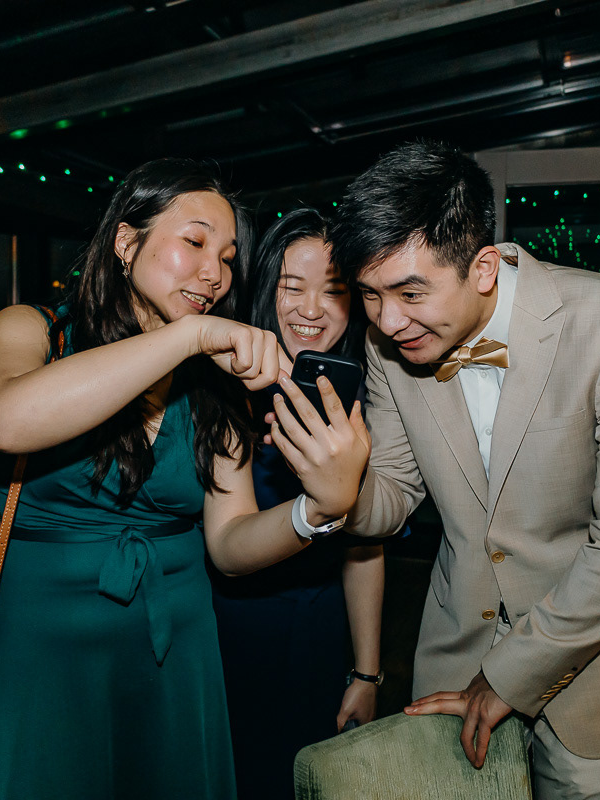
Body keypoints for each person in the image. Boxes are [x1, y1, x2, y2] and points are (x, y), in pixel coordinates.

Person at [0, 159, 369, 800]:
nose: (215, 272)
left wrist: (319, 510)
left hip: (177, 645)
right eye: (195, 243)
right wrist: (190, 336)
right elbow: (5, 419)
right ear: (127, 243)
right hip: (50, 650)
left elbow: (230, 544)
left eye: (229, 256)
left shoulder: (214, 386)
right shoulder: (32, 330)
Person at [328, 141, 600, 800]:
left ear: (484, 267)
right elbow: (395, 497)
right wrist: (336, 490)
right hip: (455, 660)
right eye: (369, 295)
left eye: (410, 292)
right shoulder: (388, 345)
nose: (386, 320)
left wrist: (510, 676)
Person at [210, 208, 384, 800]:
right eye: (292, 287)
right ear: (266, 290)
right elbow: (227, 547)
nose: (311, 310)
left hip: (321, 626)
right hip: (229, 628)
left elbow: (365, 546)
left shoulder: (366, 395)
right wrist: (319, 506)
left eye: (333, 291)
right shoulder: (224, 389)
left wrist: (366, 671)